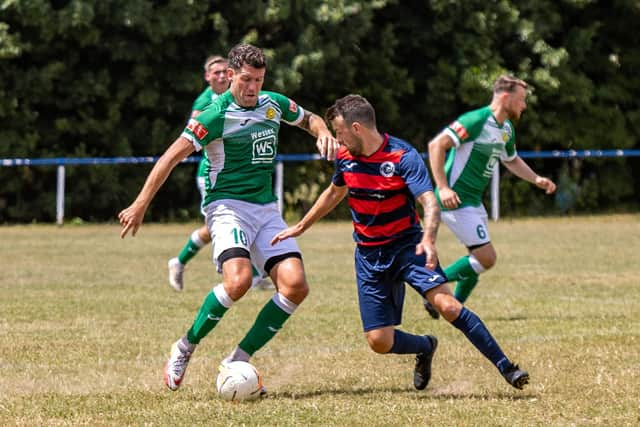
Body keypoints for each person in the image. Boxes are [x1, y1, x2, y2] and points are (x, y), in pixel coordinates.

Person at [118, 43, 339, 393]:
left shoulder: (273, 104)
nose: (253, 88)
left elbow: (310, 118)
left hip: (266, 209)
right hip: (227, 208)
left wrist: (323, 132)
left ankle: (238, 360)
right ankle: (185, 346)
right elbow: (170, 157)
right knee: (238, 282)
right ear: (232, 75)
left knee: (296, 286)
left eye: (259, 80)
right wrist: (141, 202)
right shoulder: (214, 115)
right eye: (247, 80)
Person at [271, 94, 530, 390]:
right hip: (369, 256)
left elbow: (429, 203)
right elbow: (334, 192)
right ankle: (425, 346)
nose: (336, 138)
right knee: (379, 342)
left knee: (447, 305)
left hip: (409, 247)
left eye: (339, 131)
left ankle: (508, 368)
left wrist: (429, 239)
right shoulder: (345, 157)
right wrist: (302, 226)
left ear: (357, 128)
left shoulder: (402, 156)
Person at [422, 75, 557, 318]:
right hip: (455, 200)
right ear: (506, 97)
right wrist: (442, 187)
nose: (524, 105)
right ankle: (431, 285)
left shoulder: (506, 129)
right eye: (521, 99)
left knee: (476, 260)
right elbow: (436, 145)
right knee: (486, 257)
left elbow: (511, 159)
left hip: (473, 202)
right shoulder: (476, 120)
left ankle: (449, 307)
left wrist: (536, 179)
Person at [167, 54, 272, 292]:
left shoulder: (243, 96)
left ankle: (252, 275)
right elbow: (189, 135)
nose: (222, 76)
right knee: (221, 226)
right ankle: (181, 261)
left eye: (225, 71)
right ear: (207, 77)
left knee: (229, 224)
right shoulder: (205, 102)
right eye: (216, 72)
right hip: (212, 176)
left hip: (237, 176)